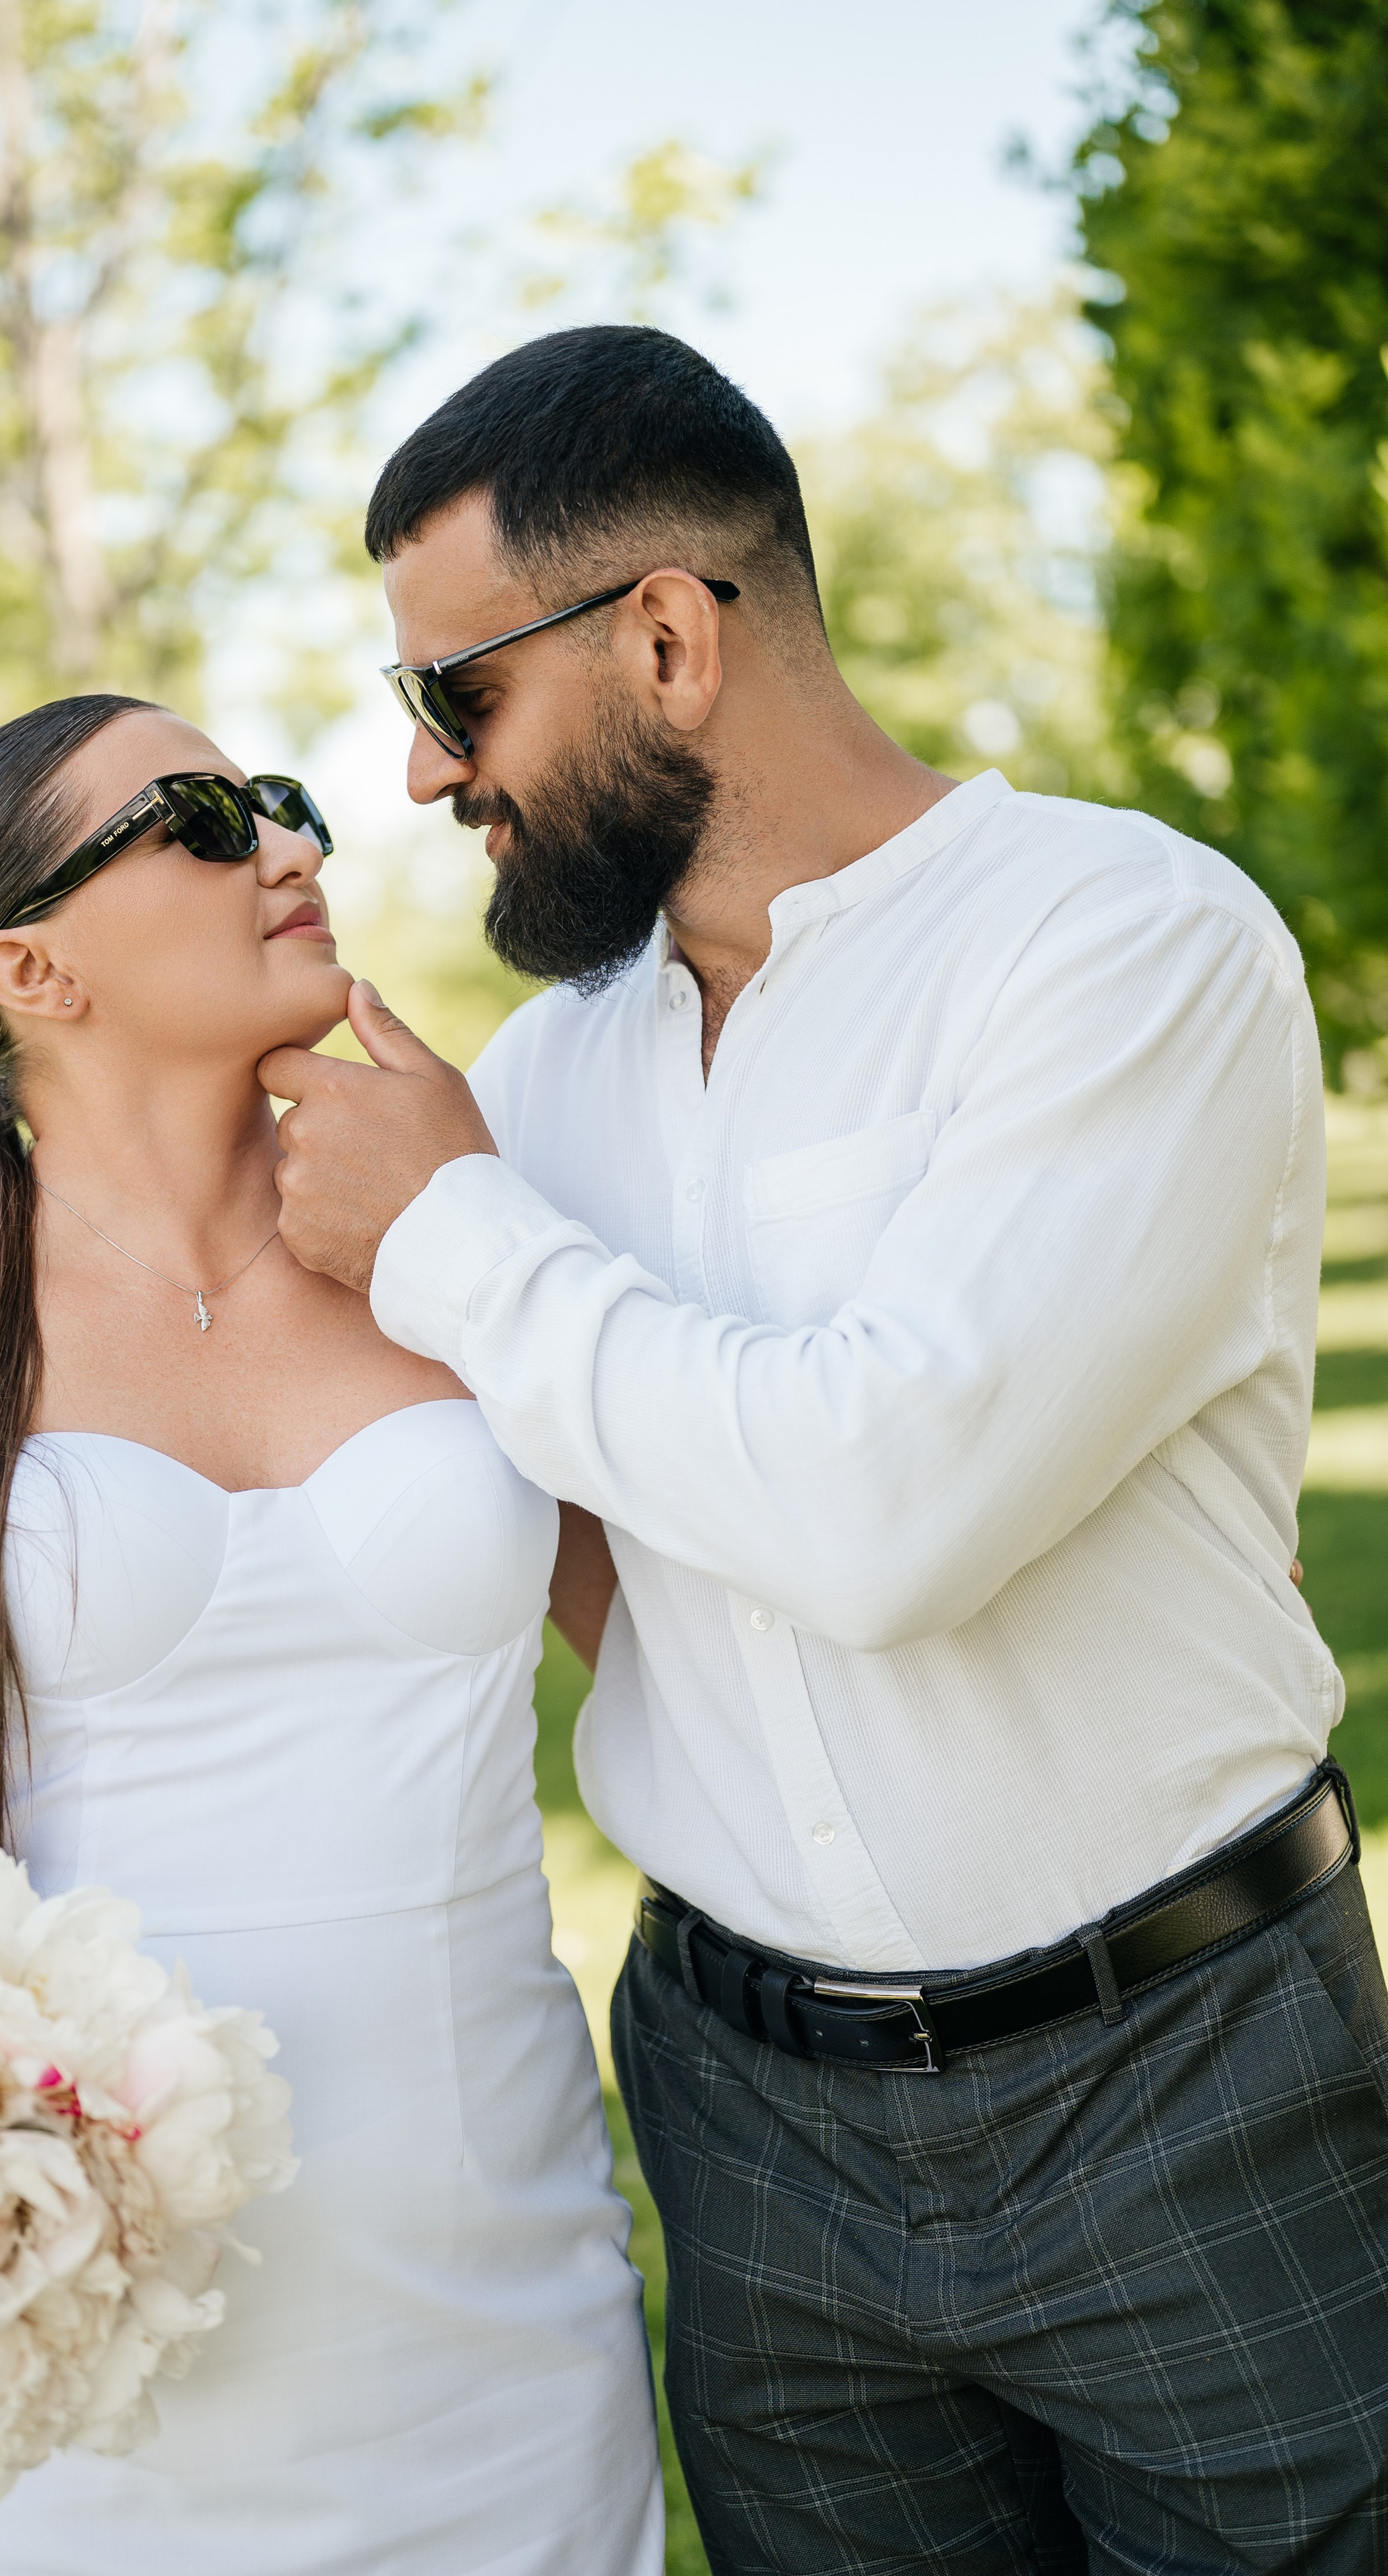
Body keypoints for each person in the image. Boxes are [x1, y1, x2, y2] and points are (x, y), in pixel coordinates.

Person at [262, 325, 1388, 2573]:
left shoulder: (1122, 943)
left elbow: (891, 1513)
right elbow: (595, 1551)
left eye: (452, 698)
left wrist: (456, 1234)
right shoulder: (550, 1083)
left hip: (1183, 2078)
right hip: (745, 2110)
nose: (419, 783)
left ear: (667, 636)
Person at [0, 694, 663, 2576]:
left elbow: (676, 1649)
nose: (293, 845)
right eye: (204, 821)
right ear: (29, 965)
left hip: (479, 2316)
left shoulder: (454, 1238)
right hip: (32, 2319)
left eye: (281, 803)